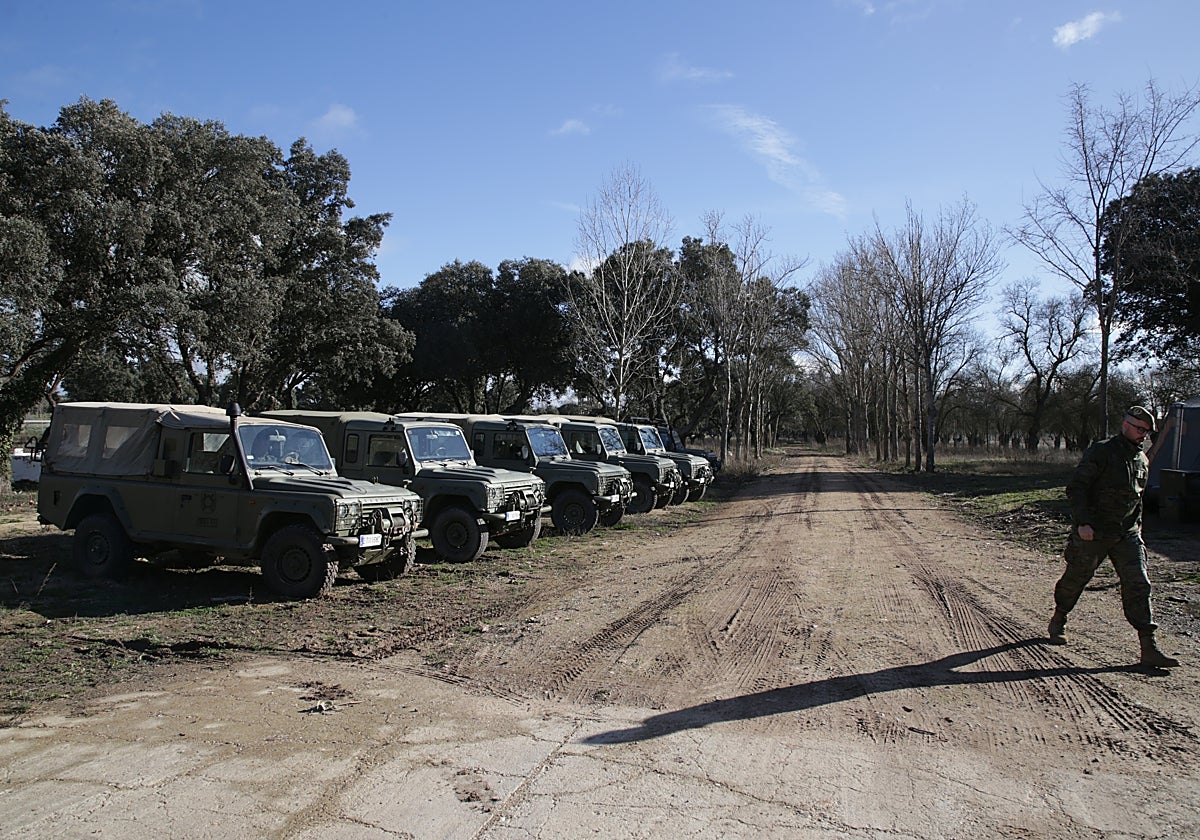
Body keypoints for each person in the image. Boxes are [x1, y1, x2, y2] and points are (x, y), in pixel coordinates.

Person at [1048, 406, 1180, 668]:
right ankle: (1060, 617)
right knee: (1076, 578)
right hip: (1094, 532)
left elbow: (1137, 498)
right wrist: (1083, 523)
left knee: (1138, 584)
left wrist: (1137, 529)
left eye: (1147, 431)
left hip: (1127, 534)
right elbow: (1077, 488)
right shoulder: (1102, 451)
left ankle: (1148, 646)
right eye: (1140, 429)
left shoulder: (1141, 459)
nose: (1143, 435)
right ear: (1126, 424)